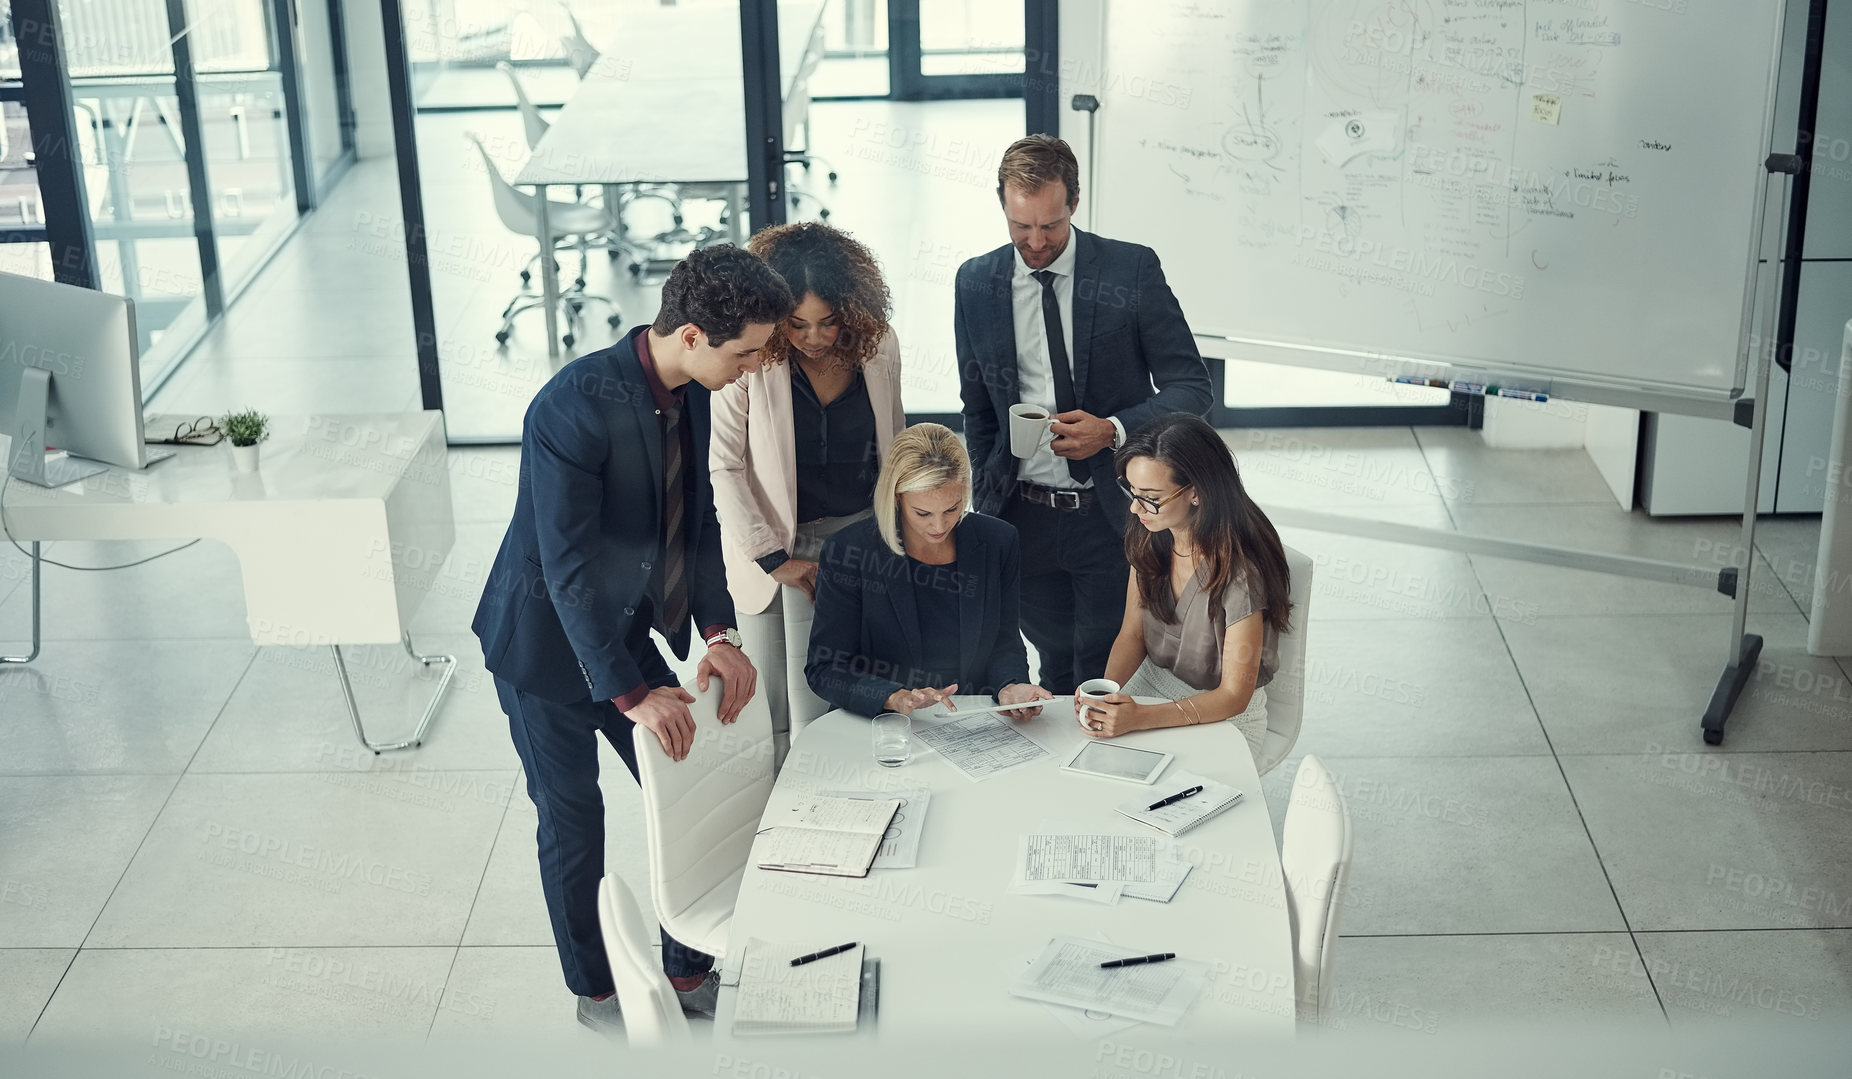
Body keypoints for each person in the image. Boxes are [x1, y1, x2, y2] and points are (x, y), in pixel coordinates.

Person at [471, 246, 794, 1037]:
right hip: (545, 647)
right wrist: (630, 692)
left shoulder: (690, 388)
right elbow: (567, 566)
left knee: (685, 790)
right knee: (573, 816)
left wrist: (717, 631)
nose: (755, 367)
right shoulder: (571, 408)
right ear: (692, 334)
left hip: (616, 626)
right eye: (746, 350)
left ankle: (688, 967)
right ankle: (599, 991)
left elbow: (701, 520)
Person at [956, 134, 1212, 696]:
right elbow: (977, 406)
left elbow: (1192, 387)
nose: (1036, 242)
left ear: (1074, 201)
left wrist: (1113, 431)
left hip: (1112, 511)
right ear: (1002, 205)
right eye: (1021, 227)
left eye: (1049, 225)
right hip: (1021, 514)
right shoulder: (975, 282)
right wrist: (985, 493)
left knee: (1103, 666)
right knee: (1051, 662)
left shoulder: (1130, 270)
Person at [711, 222, 907, 761]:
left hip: (858, 542)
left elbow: (895, 443)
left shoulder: (879, 344)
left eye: (828, 322)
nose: (813, 338)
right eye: (796, 324)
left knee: (845, 701)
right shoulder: (751, 359)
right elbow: (724, 466)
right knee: (772, 708)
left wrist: (903, 534)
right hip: (770, 546)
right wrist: (773, 559)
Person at [1079, 414, 1294, 762]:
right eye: (1132, 492)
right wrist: (1108, 696)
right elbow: (1132, 635)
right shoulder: (1152, 535)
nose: (1136, 508)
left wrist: (1142, 718)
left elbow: (1234, 696)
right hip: (1149, 688)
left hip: (1223, 713)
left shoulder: (1240, 573)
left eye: (1150, 497)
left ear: (1196, 493)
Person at [806, 423, 1053, 720]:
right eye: (922, 513)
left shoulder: (998, 541)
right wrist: (893, 697)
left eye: (952, 508)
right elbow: (826, 669)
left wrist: (1010, 685)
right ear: (897, 497)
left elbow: (1004, 641)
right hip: (883, 723)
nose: (939, 527)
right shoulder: (849, 551)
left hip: (971, 718)